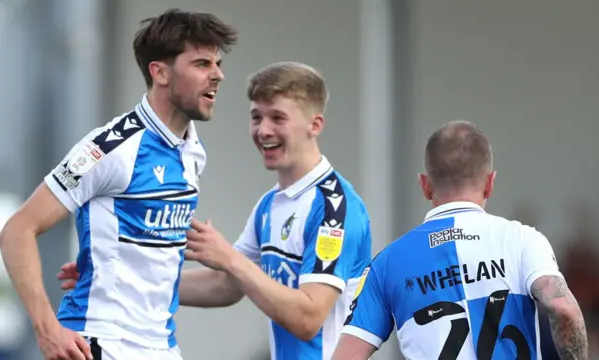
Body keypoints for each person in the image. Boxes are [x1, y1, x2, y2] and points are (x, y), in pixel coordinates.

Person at [59, 61, 373, 360]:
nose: (263, 130)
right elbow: (226, 285)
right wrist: (117, 280)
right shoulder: (270, 204)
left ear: (314, 125)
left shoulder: (336, 209)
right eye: (256, 117)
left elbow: (308, 319)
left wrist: (229, 258)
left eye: (278, 118)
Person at [0, 8, 237, 360]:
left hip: (162, 346)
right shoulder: (110, 147)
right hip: (102, 342)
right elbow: (17, 230)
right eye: (202, 64)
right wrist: (47, 328)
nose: (217, 75)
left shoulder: (192, 149)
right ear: (160, 72)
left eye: (217, 64)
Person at [331, 120, 588, 360]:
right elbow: (564, 309)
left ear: (425, 185)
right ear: (489, 183)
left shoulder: (387, 263)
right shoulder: (523, 240)